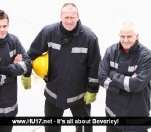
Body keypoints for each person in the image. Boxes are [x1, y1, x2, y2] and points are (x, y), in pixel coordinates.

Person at [21, 3, 101, 132]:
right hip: (54, 94)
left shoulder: (89, 38)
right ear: (61, 16)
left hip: (79, 96)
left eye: (72, 17)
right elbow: (30, 54)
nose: (69, 21)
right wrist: (26, 73)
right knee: (51, 128)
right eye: (66, 17)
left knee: (84, 128)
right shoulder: (49, 32)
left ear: (78, 17)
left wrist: (92, 89)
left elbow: (95, 65)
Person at [98, 21, 151, 132]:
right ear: (119, 35)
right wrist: (124, 84)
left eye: (129, 36)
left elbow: (135, 85)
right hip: (113, 114)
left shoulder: (146, 56)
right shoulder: (111, 51)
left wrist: (113, 74)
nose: (125, 40)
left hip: (136, 117)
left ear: (137, 36)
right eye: (122, 36)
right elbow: (101, 78)